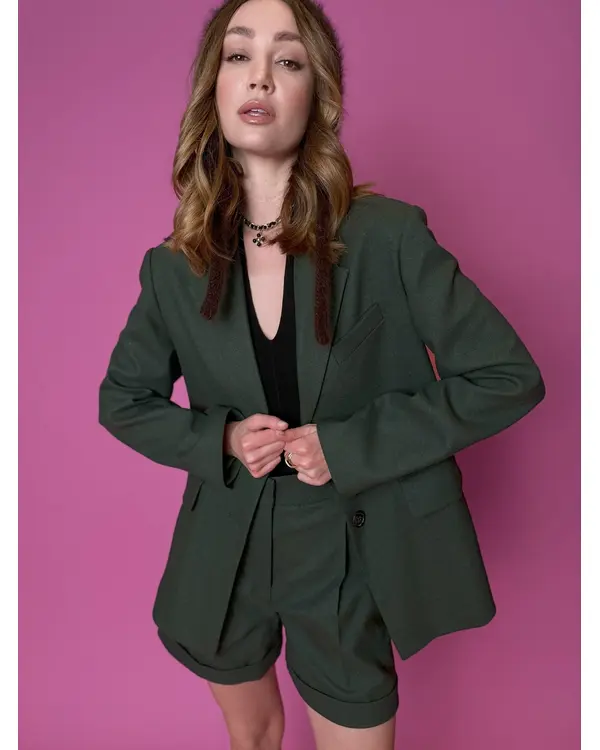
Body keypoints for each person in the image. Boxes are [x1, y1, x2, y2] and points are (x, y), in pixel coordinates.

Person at [98, 0, 546, 748]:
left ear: (318, 93)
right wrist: (222, 440)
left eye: (289, 59)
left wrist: (350, 444)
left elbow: (508, 375)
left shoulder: (389, 236)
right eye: (238, 55)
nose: (261, 77)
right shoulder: (173, 267)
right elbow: (123, 399)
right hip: (223, 547)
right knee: (252, 738)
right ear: (213, 85)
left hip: (345, 540)